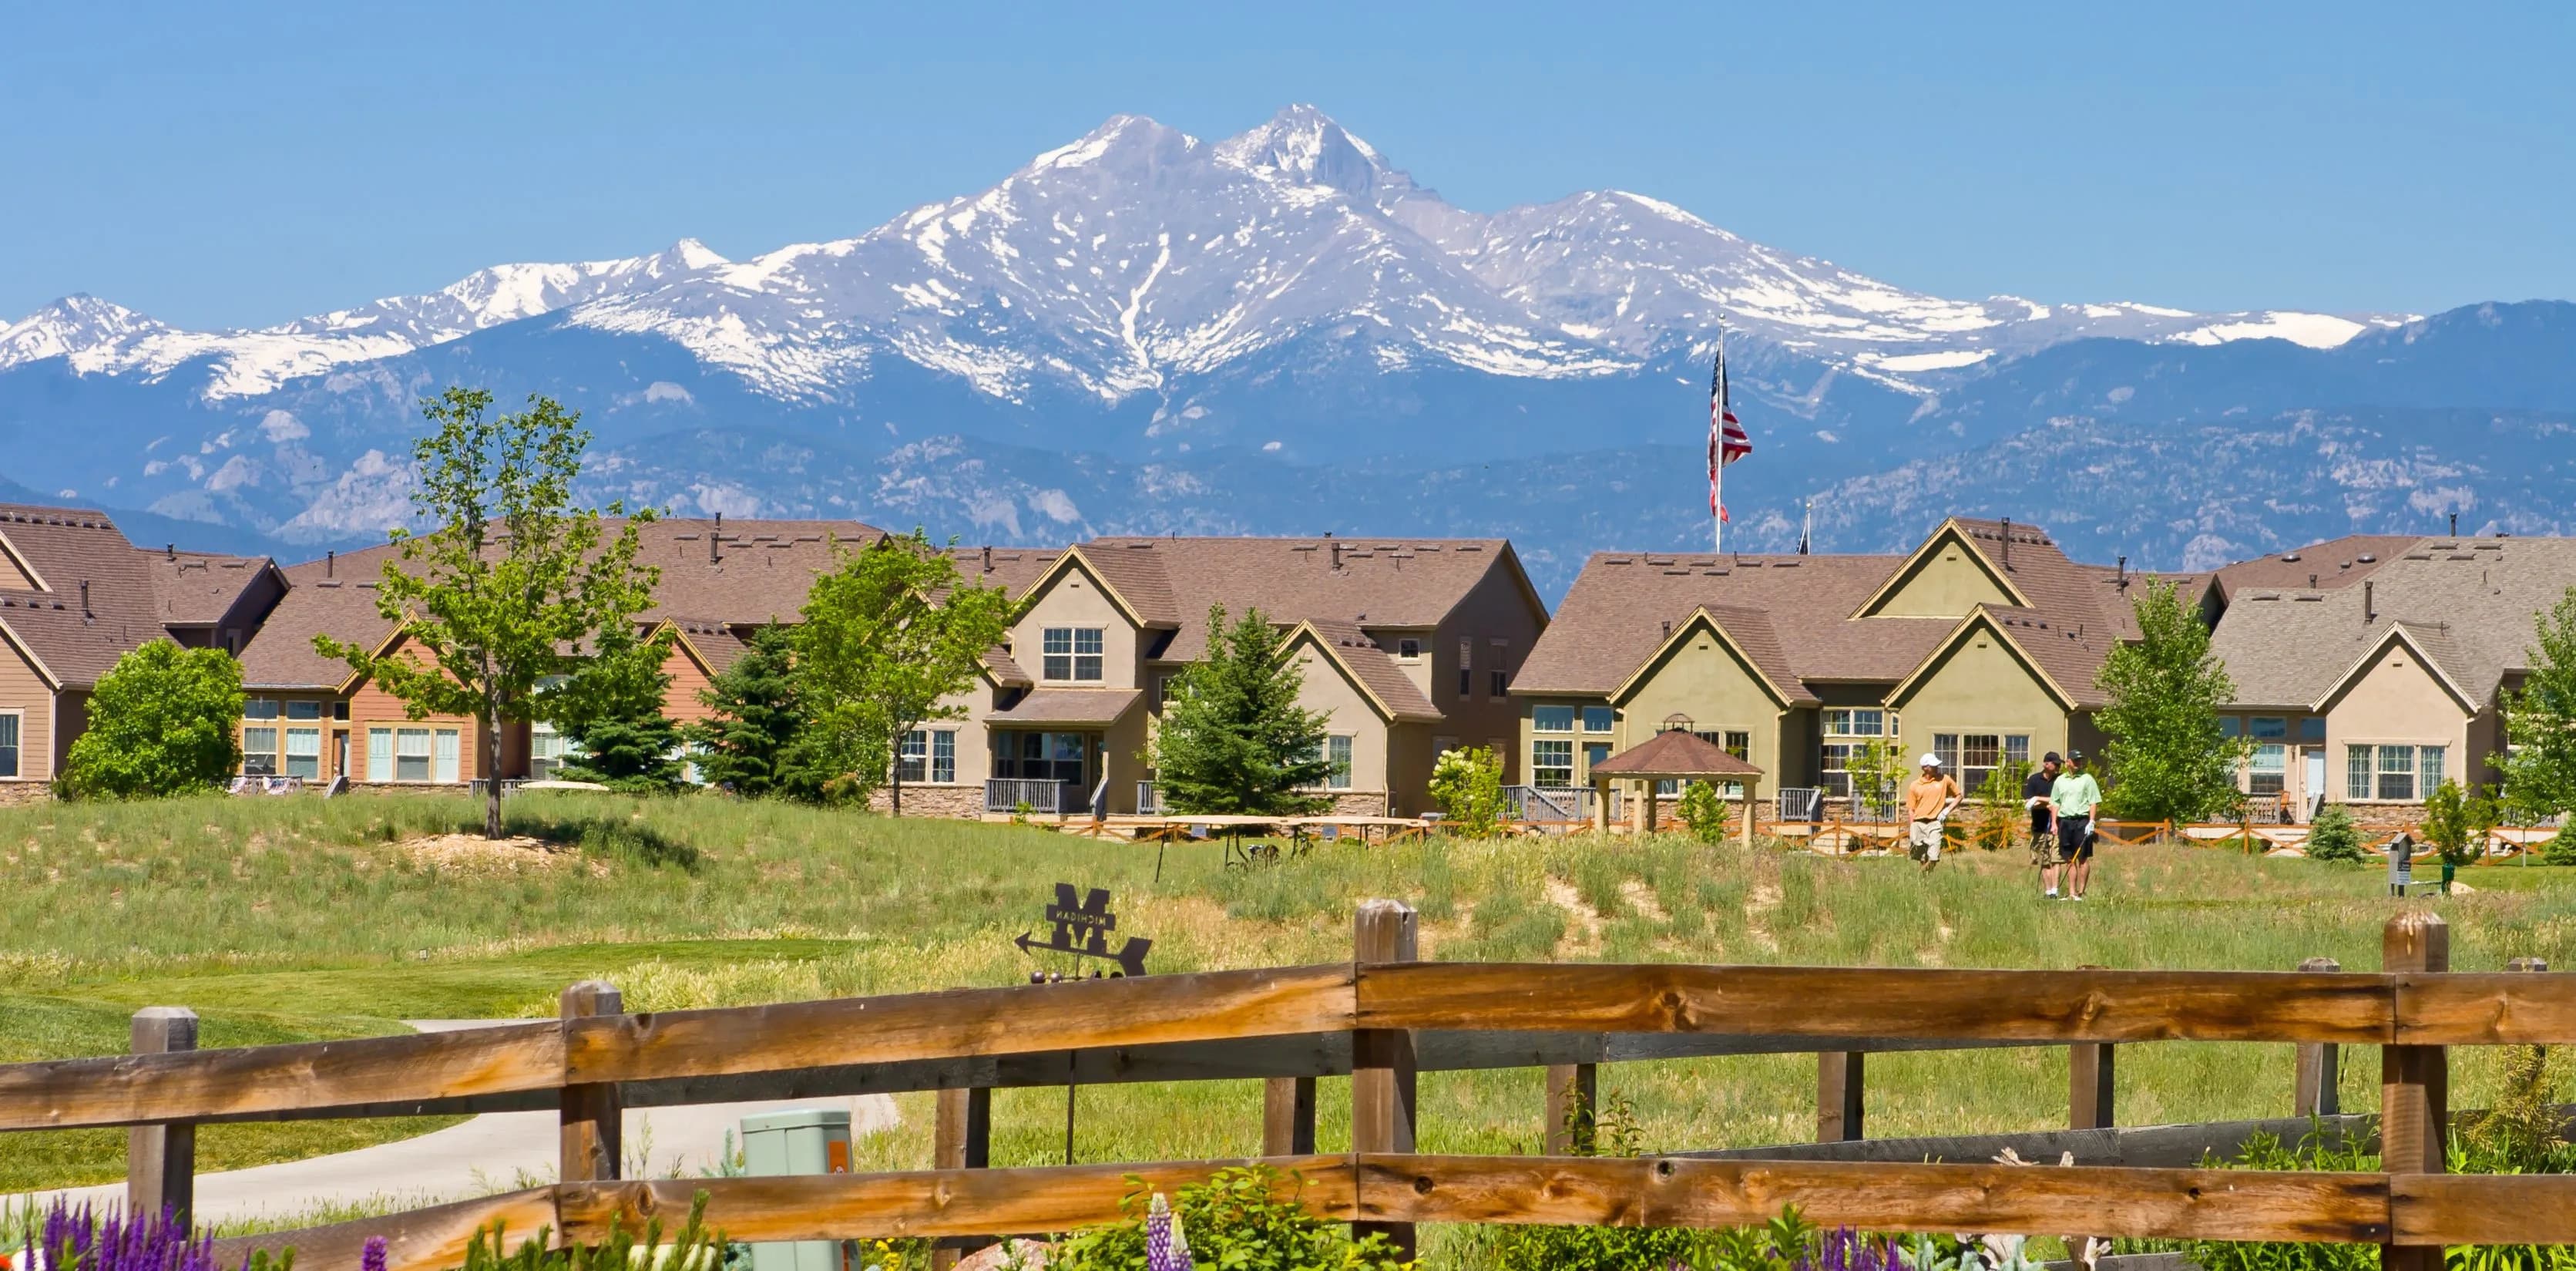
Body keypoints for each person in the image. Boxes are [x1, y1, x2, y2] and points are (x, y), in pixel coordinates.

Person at [2050, 750, 2105, 900]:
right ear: (2068, 762)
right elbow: (2055, 803)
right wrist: (2054, 823)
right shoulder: (2060, 780)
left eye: (2080, 760)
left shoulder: (2087, 779)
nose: (2078, 763)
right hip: (2065, 821)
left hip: (2082, 821)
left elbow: (2093, 802)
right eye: (2075, 760)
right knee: (2069, 858)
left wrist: (2091, 821)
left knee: (2083, 857)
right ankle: (2072, 893)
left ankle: (2081, 892)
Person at [1905, 753, 1963, 872]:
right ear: (1925, 768)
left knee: (1934, 857)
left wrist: (1947, 810)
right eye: (1933, 766)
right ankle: (1923, 880)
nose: (1937, 767)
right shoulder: (1914, 785)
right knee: (1921, 858)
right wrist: (1911, 828)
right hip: (1918, 823)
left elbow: (1959, 796)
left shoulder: (1944, 779)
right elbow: (1911, 810)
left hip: (1935, 823)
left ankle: (1919, 876)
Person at [2026, 752, 2065, 896]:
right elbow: (2029, 803)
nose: (2058, 767)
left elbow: (2061, 800)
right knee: (2044, 861)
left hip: (2056, 826)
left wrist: (2039, 799)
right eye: (2056, 764)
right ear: (2046, 764)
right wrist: (2048, 803)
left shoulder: (2060, 779)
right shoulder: (2034, 780)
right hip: (2039, 826)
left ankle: (2055, 890)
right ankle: (2048, 891)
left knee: (2056, 860)